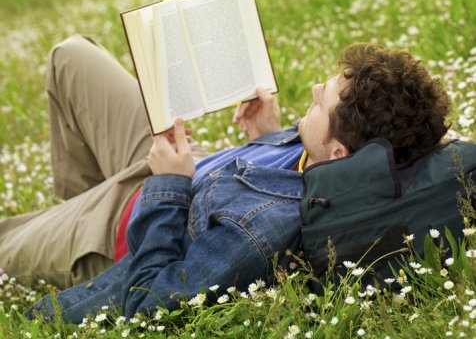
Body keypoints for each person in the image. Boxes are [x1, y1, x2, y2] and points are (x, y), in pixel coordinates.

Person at [0, 35, 450, 323]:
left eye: (322, 102)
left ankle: (74, 230)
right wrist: (267, 137)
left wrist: (168, 185)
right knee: (71, 56)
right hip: (181, 161)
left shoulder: (263, 231)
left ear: (339, 155)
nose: (314, 90)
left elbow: (147, 301)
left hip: (133, 219)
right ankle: (74, 211)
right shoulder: (333, 156)